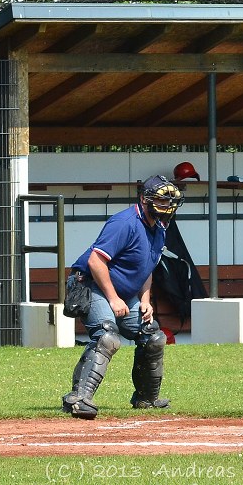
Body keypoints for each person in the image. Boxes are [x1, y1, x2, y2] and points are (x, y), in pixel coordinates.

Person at [61, 175, 185, 420]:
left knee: (154, 337)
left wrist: (146, 300)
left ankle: (146, 399)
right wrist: (113, 298)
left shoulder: (161, 227)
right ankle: (79, 399)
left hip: (125, 292)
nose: (166, 206)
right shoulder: (124, 222)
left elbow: (147, 267)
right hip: (91, 284)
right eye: (160, 200)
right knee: (107, 337)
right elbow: (95, 261)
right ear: (144, 199)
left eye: (169, 201)